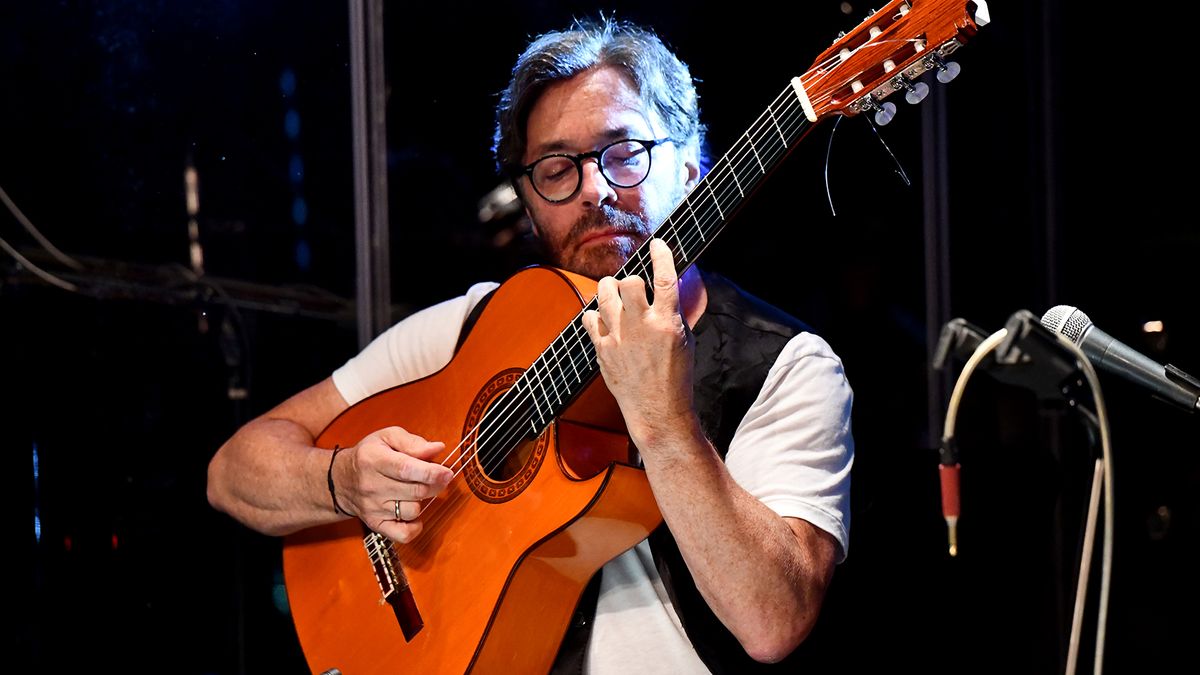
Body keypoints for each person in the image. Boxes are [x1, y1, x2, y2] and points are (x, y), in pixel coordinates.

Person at [207, 16, 853, 673]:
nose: (595, 190)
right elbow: (233, 472)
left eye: (625, 151)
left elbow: (774, 622)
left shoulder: (785, 365)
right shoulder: (472, 325)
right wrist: (343, 481)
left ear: (690, 167)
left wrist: (664, 425)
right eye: (555, 168)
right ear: (528, 201)